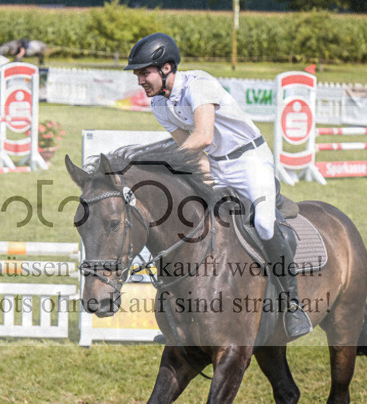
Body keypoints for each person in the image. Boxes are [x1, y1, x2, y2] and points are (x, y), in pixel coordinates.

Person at [125, 32, 312, 338]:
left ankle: (292, 305)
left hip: (248, 160)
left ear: (167, 68)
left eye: (144, 73)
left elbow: (204, 135)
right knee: (194, 220)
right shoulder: (159, 105)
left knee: (264, 224)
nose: (140, 81)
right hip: (215, 165)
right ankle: (185, 314)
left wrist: (159, 162)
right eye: (138, 75)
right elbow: (193, 151)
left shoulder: (198, 84)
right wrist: (202, 183)